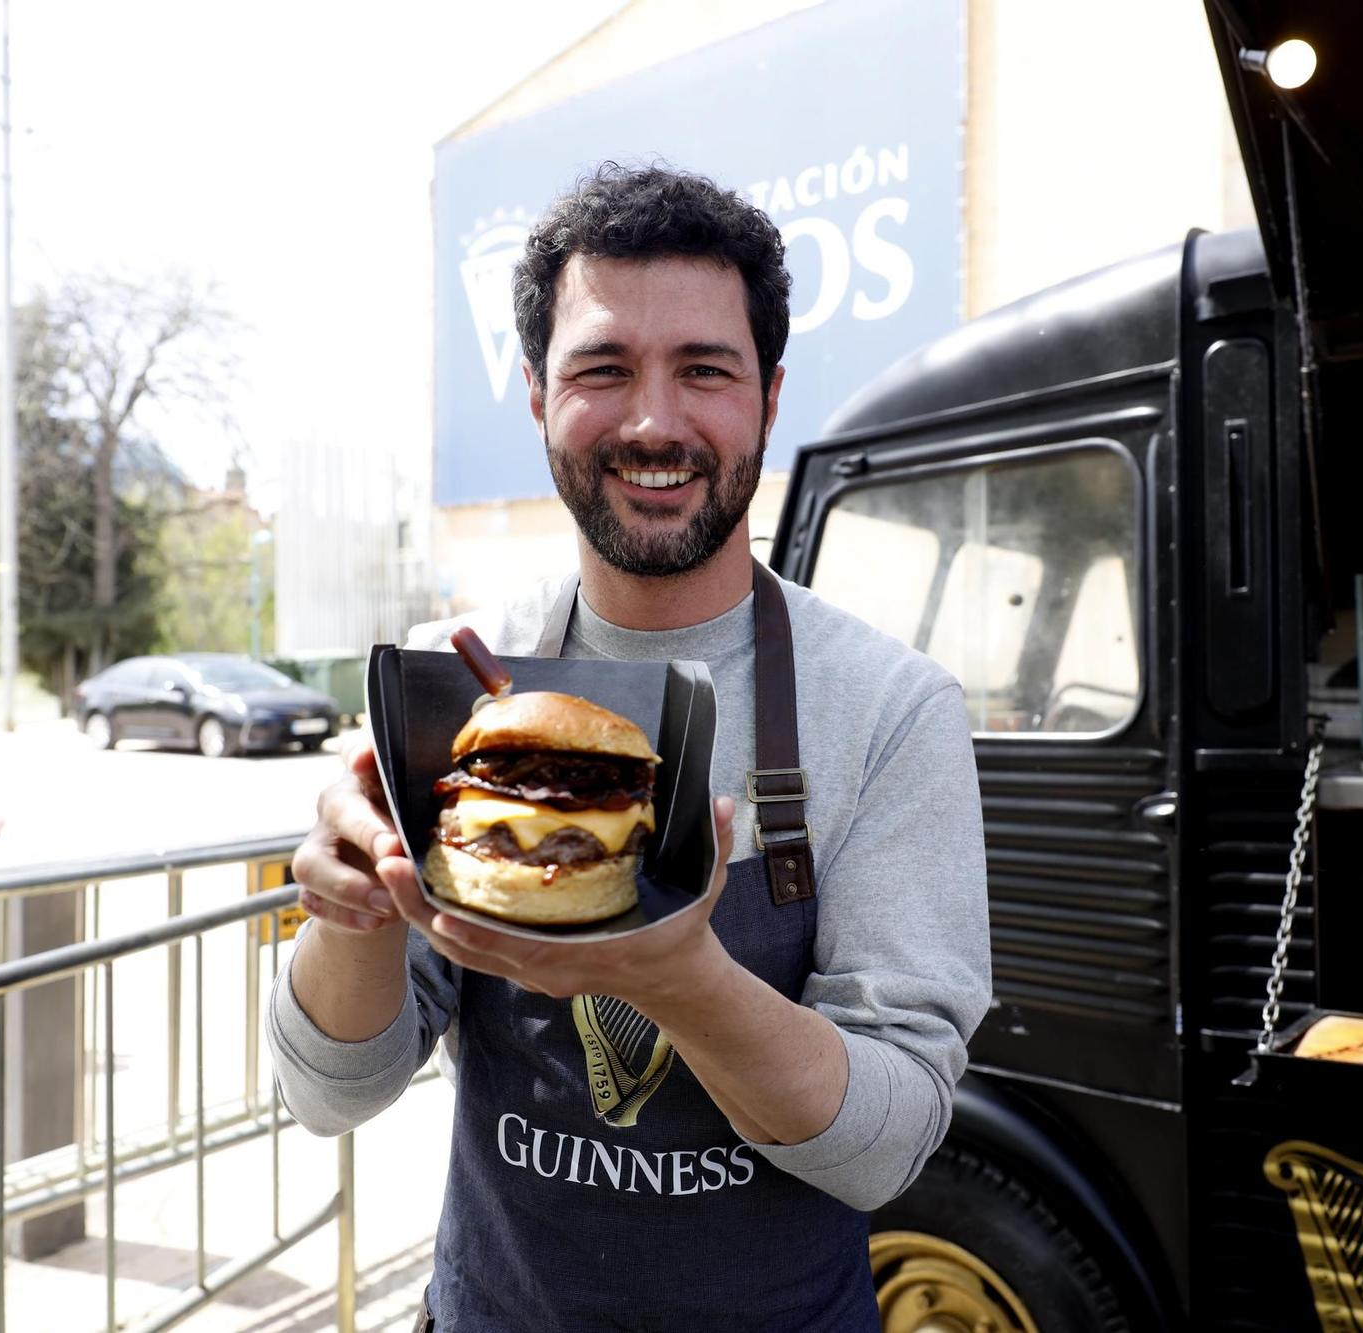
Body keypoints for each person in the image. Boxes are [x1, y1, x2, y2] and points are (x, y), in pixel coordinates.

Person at [268, 164, 991, 1332]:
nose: (653, 422)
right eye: (601, 370)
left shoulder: (892, 709)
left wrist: (678, 981)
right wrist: (351, 909)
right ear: (537, 392)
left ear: (767, 395)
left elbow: (887, 1146)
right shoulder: (454, 676)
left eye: (704, 369)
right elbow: (329, 1091)